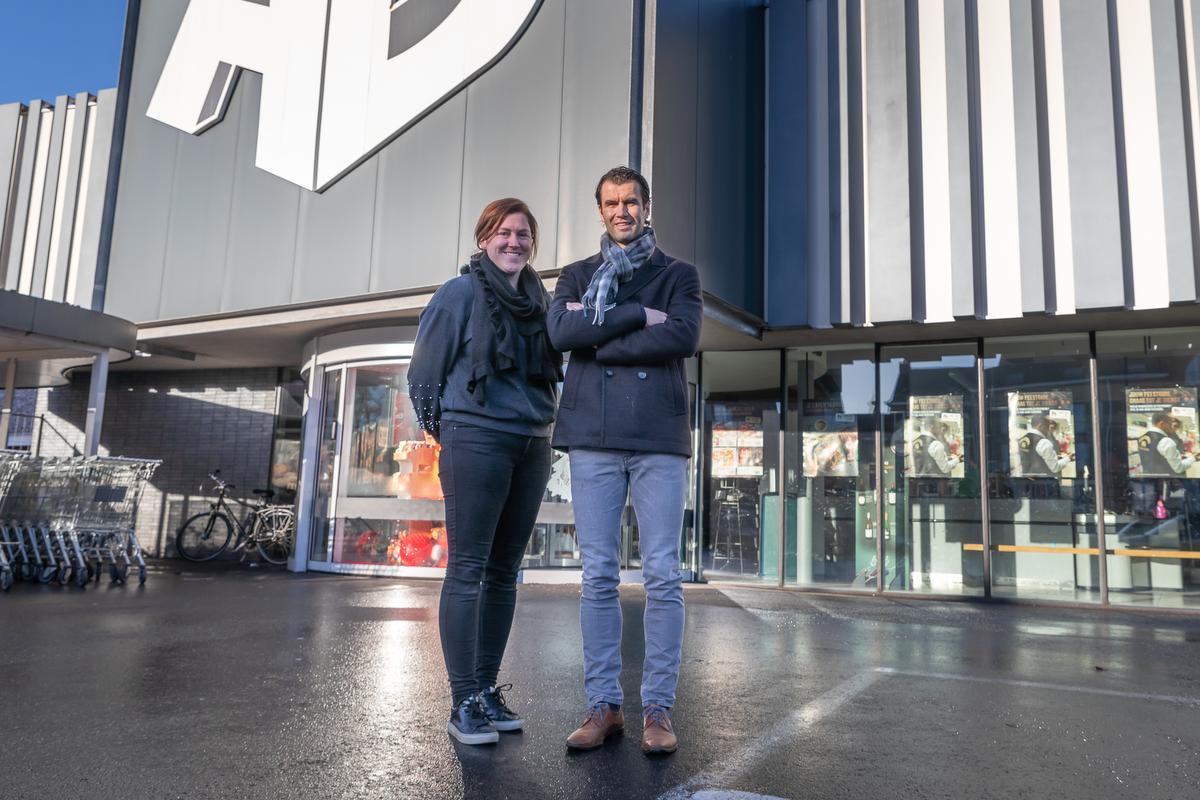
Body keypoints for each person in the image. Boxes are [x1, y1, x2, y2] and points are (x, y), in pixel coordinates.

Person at [547, 166, 702, 755]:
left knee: (663, 575)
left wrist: (599, 333)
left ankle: (657, 709)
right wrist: (638, 316)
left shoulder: (679, 275)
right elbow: (561, 333)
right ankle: (604, 705)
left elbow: (682, 337)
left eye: (630, 202)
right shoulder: (577, 275)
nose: (622, 211)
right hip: (593, 435)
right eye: (611, 203)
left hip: (657, 436)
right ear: (600, 210)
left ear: (645, 205)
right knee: (597, 577)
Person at [407, 198, 562, 745]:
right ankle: (463, 699)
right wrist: (450, 431)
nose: (514, 242)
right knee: (468, 568)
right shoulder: (459, 293)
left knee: (504, 571)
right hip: (476, 440)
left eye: (523, 234)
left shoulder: (542, 299)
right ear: (483, 239)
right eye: (503, 233)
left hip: (532, 443)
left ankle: (488, 689)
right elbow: (423, 374)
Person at [1138, 412, 1196, 476]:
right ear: (1162, 424)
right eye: (1170, 424)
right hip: (1165, 480)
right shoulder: (1166, 441)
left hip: (1148, 479)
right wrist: (1194, 458)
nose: (1172, 427)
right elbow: (1179, 468)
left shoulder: (1142, 437)